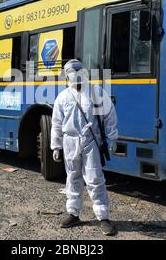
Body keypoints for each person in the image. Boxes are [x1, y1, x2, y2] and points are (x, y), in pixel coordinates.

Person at [51, 59, 119, 236]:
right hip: (70, 142)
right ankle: (73, 213)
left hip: (91, 141)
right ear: (67, 78)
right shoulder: (63, 97)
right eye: (73, 77)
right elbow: (57, 124)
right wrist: (56, 146)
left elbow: (109, 117)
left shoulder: (97, 93)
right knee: (72, 178)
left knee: (95, 179)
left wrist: (112, 139)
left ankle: (103, 217)